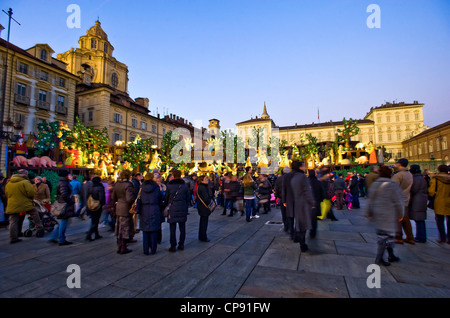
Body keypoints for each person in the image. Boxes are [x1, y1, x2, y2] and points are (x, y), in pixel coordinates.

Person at [367, 166, 403, 266]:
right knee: (385, 236)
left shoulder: (375, 184)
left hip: (377, 213)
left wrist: (369, 211)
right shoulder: (392, 185)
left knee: (386, 235)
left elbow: (370, 199)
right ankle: (379, 258)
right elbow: (398, 201)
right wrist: (401, 213)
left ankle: (391, 255)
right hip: (388, 213)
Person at [5, 170, 44, 243]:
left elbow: (6, 193)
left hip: (12, 204)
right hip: (25, 203)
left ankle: (14, 237)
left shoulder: (9, 183)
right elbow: (31, 193)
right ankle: (39, 228)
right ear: (25, 174)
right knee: (35, 213)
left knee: (14, 220)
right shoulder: (25, 182)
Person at [285, 161, 316, 252]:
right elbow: (307, 191)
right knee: (304, 223)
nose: (305, 167)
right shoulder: (302, 177)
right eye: (304, 165)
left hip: (297, 202)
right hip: (304, 203)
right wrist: (312, 202)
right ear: (300, 167)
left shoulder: (294, 178)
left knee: (300, 223)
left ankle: (300, 240)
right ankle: (302, 244)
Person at [165, 169, 190, 252]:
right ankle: (181, 244)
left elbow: (166, 197)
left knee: (172, 228)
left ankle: (173, 245)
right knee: (182, 227)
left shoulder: (169, 185)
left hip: (172, 207)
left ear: (173, 175)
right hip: (182, 207)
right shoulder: (184, 185)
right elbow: (188, 198)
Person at [112, 170, 137, 254]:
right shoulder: (128, 185)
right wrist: (134, 201)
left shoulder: (117, 184)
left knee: (119, 227)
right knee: (125, 227)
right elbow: (129, 198)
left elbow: (113, 197)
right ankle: (123, 247)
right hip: (126, 208)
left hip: (118, 207)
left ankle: (119, 246)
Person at [49, 170, 75, 246]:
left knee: (63, 222)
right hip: (64, 205)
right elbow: (64, 194)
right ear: (66, 175)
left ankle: (54, 237)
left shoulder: (63, 182)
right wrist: (70, 201)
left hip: (63, 204)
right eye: (69, 175)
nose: (70, 176)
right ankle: (61, 239)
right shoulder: (64, 183)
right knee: (64, 222)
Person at [139, 172, 163, 255]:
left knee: (145, 231)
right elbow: (160, 198)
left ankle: (146, 249)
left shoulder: (142, 187)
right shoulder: (156, 187)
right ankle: (153, 249)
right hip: (154, 208)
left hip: (144, 209)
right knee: (154, 229)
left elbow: (139, 199)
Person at [392, 158, 414, 244]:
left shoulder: (398, 175)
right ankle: (410, 237)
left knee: (398, 219)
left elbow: (393, 188)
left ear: (399, 164)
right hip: (406, 199)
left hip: (397, 199)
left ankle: (398, 237)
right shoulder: (409, 174)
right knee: (405, 219)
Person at [428, 165, 450, 243]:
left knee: (439, 220)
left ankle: (442, 237)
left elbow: (431, 192)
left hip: (439, 201)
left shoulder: (436, 179)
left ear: (439, 170)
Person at [408, 165, 428, 243]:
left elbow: (414, 190)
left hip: (417, 200)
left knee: (418, 219)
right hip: (422, 199)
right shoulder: (422, 178)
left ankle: (421, 237)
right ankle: (421, 236)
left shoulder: (416, 179)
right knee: (420, 219)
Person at [85, 176, 106, 241]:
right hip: (97, 205)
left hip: (91, 204)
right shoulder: (100, 188)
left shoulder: (91, 187)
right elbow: (101, 197)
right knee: (96, 220)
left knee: (94, 220)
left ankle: (96, 233)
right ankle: (89, 234)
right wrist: (102, 203)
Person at [196, 175, 213, 242]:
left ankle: (201, 236)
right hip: (204, 207)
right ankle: (203, 236)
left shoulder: (200, 187)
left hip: (201, 206)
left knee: (202, 221)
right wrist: (210, 202)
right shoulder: (203, 187)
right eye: (205, 179)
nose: (207, 180)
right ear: (202, 180)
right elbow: (206, 198)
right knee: (204, 222)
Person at [308, 169, 323, 239]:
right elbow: (322, 193)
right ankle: (313, 232)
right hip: (316, 203)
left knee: (308, 217)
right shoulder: (318, 182)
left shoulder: (306, 182)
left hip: (308, 204)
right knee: (314, 219)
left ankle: (309, 230)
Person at [275, 166, 290, 232]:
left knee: (284, 213)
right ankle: (290, 225)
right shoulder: (291, 178)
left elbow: (276, 189)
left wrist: (278, 196)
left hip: (282, 198)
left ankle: (286, 226)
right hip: (290, 198)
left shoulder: (279, 179)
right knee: (290, 213)